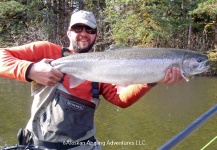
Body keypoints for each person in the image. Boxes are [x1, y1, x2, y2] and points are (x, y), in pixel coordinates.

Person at [0, 10, 183, 150]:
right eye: (78, 28)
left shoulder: (104, 69)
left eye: (90, 29)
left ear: (96, 35)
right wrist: (31, 70)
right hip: (40, 145)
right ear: (68, 33)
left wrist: (152, 79)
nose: (84, 33)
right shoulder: (46, 51)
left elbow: (122, 100)